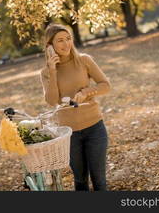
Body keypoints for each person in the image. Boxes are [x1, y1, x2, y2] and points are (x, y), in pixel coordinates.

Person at [40, 23, 111, 191]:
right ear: (50, 46)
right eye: (60, 41)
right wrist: (52, 70)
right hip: (69, 134)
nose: (66, 44)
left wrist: (86, 92)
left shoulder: (84, 60)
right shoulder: (46, 72)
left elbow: (105, 85)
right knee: (80, 181)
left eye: (68, 39)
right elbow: (52, 101)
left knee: (99, 180)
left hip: (95, 128)